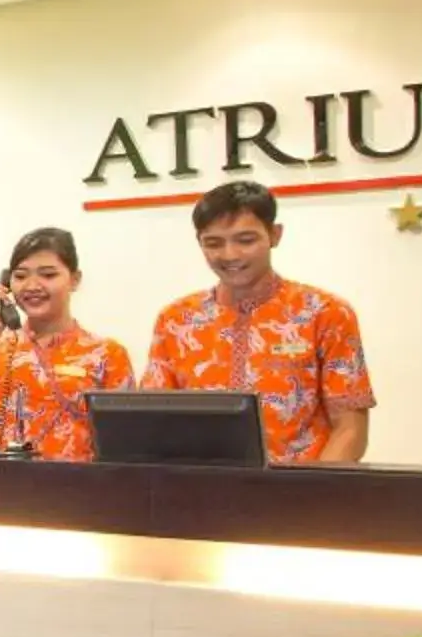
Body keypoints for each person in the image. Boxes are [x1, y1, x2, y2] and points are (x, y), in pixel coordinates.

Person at [142, 181, 374, 464]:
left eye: (246, 240)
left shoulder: (325, 313)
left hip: (298, 494)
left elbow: (350, 428)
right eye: (214, 243)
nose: (230, 255)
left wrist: (313, 493)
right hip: (202, 496)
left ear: (275, 235)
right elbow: (154, 425)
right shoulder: (176, 320)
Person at [0, 227, 133, 460]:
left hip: (75, 491)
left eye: (48, 275)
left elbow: (125, 444)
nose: (32, 286)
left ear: (75, 280)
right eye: (20, 276)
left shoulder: (105, 354)